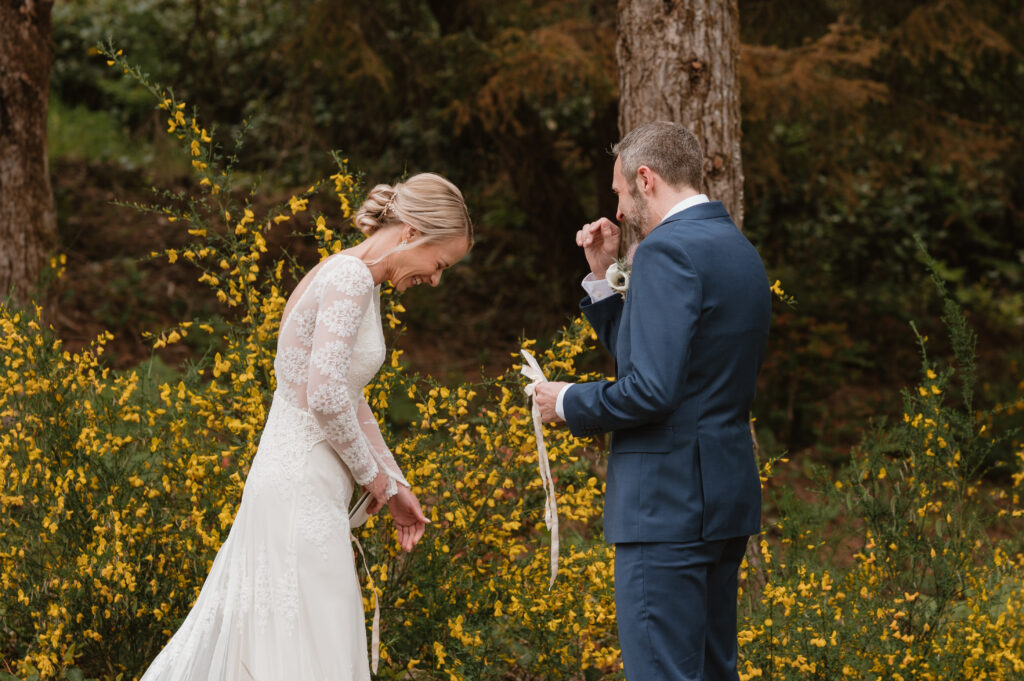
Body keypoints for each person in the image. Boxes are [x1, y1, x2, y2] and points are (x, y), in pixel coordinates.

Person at [140, 172, 473, 681]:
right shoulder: (352, 278)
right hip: (300, 491)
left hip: (296, 485)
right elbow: (323, 396)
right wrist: (372, 479)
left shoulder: (354, 275)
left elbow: (348, 398)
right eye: (439, 263)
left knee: (297, 645)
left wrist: (396, 482)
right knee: (311, 652)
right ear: (411, 233)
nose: (435, 278)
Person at [533, 121, 771, 681]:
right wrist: (601, 281)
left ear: (646, 178)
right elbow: (665, 365)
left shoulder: (666, 251)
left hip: (665, 508)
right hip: (722, 500)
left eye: (618, 191)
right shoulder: (735, 249)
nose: (617, 210)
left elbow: (651, 391)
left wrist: (568, 401)